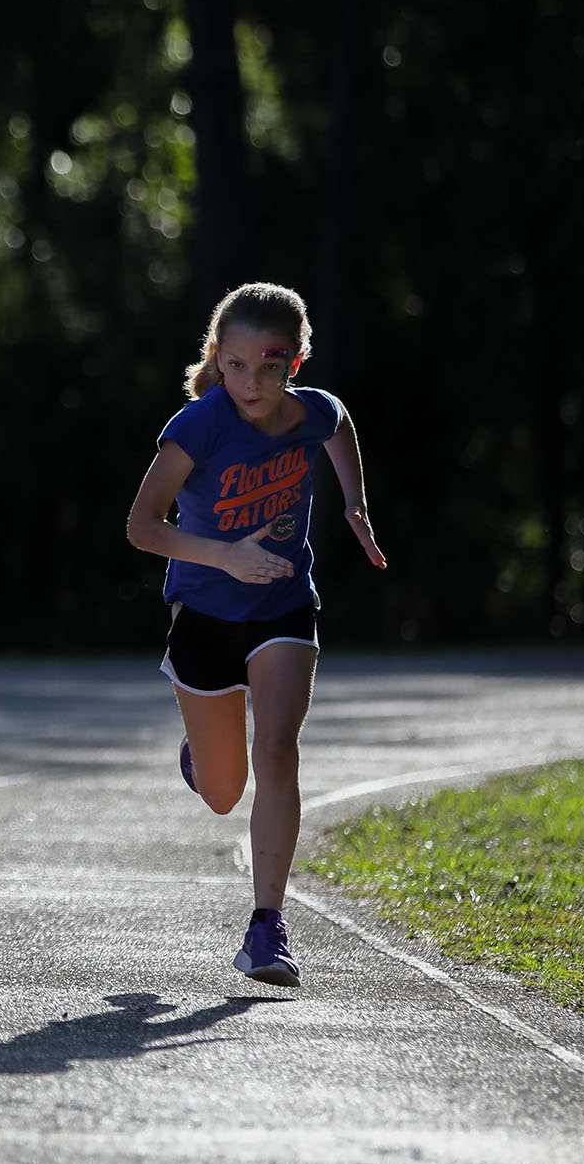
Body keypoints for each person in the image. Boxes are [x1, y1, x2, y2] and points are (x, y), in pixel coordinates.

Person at [124, 282, 387, 987]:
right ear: (217, 359)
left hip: (283, 608)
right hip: (205, 614)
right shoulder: (200, 425)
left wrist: (355, 503)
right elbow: (142, 526)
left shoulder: (309, 411)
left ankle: (267, 927)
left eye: (269, 366)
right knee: (221, 791)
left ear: (294, 362)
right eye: (235, 365)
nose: (251, 381)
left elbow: (339, 424)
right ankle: (202, 756)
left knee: (277, 747)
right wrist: (227, 556)